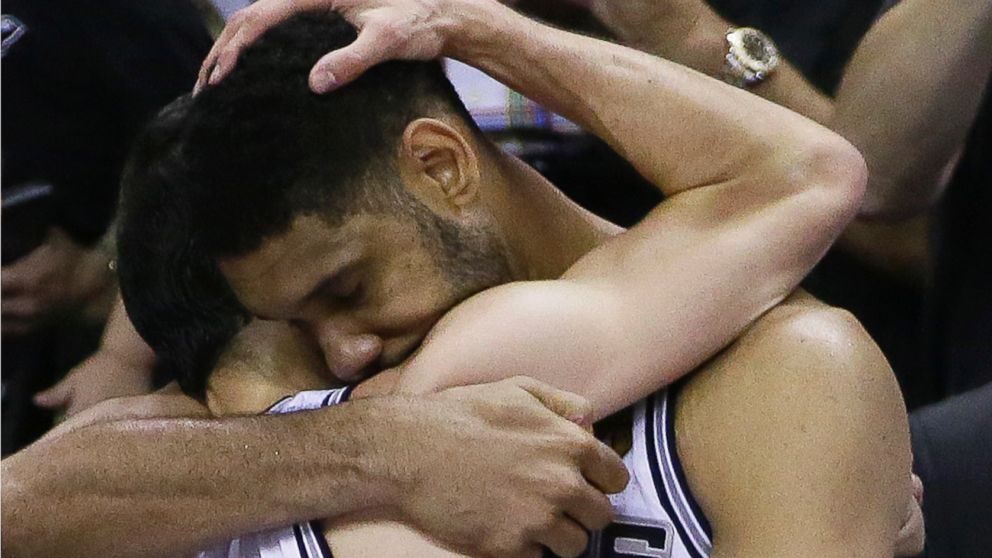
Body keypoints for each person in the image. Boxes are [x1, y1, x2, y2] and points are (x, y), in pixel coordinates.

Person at [1, 1, 883, 557]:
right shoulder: (419, 389)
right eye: (297, 329)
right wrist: (478, 27)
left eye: (346, 289)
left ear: (441, 165)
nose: (345, 354)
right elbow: (802, 173)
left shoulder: (774, 369)